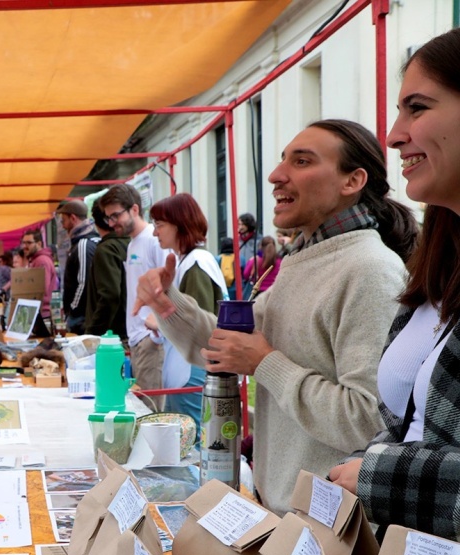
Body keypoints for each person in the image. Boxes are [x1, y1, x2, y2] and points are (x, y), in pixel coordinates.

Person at [135, 119, 418, 516]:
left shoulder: (369, 270)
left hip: (329, 534)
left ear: (352, 181)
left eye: (301, 161)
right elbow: (224, 350)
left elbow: (367, 420)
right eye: (283, 160)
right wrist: (169, 304)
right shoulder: (303, 260)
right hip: (288, 519)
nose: (276, 175)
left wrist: (266, 363)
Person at [328, 28, 460, 541]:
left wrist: (378, 475)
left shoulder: (368, 264)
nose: (394, 134)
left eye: (418, 107)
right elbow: (408, 425)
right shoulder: (436, 268)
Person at [149, 193, 228, 430]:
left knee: (189, 441)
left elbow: (199, 325)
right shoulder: (191, 261)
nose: (155, 233)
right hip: (188, 368)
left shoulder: (196, 263)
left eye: (159, 225)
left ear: (179, 224)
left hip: (193, 371)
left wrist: (158, 322)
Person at [99, 184, 167, 395]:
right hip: (137, 339)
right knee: (142, 403)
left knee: (150, 407)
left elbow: (169, 285)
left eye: (115, 216)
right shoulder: (132, 244)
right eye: (108, 218)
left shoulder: (153, 240)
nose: (111, 223)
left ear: (135, 210)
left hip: (150, 339)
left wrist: (157, 331)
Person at [84, 198, 129, 338]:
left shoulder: (106, 249)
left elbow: (110, 295)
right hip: (129, 332)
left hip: (111, 337)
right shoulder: (131, 243)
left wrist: (92, 333)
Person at [55, 199, 99, 334]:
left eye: (63, 221)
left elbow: (84, 282)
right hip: (83, 315)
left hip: (81, 317)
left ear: (73, 218)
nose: (62, 226)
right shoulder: (87, 241)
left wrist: (73, 310)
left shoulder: (83, 244)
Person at [19, 229, 57, 321]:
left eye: (28, 243)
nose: (24, 246)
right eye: (23, 243)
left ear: (39, 244)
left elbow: (41, 290)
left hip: (42, 314)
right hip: (38, 312)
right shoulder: (35, 260)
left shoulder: (41, 261)